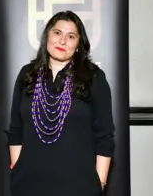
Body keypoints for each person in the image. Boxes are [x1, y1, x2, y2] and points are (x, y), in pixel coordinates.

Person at [7, 10, 115, 196]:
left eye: (71, 36)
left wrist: (100, 183)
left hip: (79, 186)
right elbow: (16, 130)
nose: (62, 41)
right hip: (28, 184)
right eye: (57, 33)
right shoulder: (27, 75)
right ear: (47, 35)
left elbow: (105, 136)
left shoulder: (94, 78)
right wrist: (17, 169)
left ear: (78, 45)